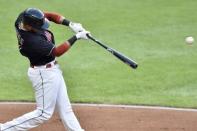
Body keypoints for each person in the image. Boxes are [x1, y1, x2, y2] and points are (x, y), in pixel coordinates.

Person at [0, 8, 89, 131]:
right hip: (44, 74)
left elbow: (49, 16)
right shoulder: (32, 41)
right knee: (43, 113)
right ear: (30, 27)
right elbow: (57, 52)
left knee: (66, 109)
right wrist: (76, 37)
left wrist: (70, 24)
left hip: (52, 70)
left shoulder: (23, 18)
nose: (43, 26)